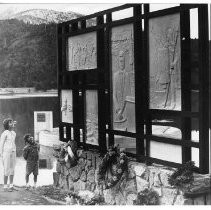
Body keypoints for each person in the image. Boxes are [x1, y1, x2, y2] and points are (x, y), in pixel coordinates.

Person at [113, 51, 131, 122]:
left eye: (123, 61)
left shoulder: (127, 75)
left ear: (125, 62)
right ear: (118, 62)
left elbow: (129, 93)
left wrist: (124, 109)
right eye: (120, 61)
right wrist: (118, 110)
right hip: (118, 111)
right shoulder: (115, 76)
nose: (121, 63)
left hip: (126, 108)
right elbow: (114, 95)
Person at [0, 118, 17, 192]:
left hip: (13, 152)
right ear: (6, 125)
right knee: (6, 169)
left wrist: (13, 124)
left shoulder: (13, 133)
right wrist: (1, 154)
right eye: (10, 123)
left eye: (12, 122)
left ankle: (11, 186)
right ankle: (5, 187)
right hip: (6, 153)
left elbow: (12, 143)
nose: (12, 123)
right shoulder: (4, 133)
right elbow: (1, 144)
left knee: (12, 169)